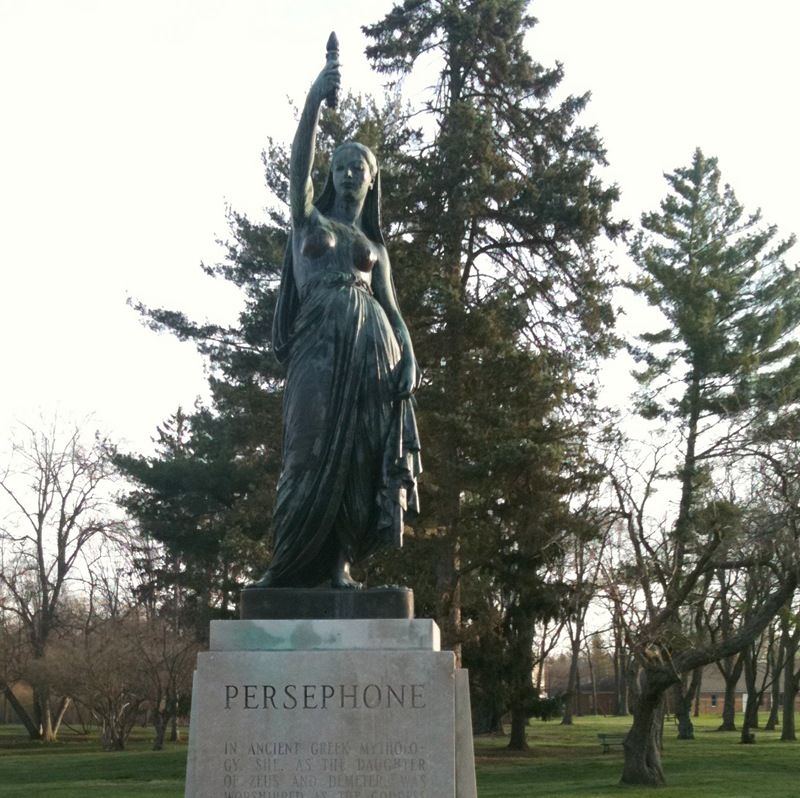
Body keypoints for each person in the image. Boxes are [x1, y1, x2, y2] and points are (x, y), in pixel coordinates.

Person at [250, 53, 421, 590]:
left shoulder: (375, 249)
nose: (349, 176)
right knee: (305, 449)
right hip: (317, 345)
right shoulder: (308, 221)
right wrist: (313, 102)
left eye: (358, 170)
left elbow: (392, 311)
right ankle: (284, 567)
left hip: (373, 352)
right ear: (331, 175)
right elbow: (297, 165)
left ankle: (339, 565)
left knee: (357, 458)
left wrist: (410, 357)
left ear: (371, 182)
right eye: (341, 167)